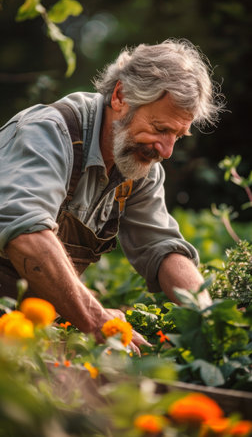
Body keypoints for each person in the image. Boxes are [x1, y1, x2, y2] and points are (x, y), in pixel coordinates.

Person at [0, 38, 224, 353]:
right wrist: (99, 321)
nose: (167, 151)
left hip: (25, 330)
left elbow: (161, 247)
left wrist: (208, 318)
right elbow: (27, 235)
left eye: (177, 135)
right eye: (160, 128)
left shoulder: (137, 166)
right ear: (120, 96)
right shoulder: (47, 133)